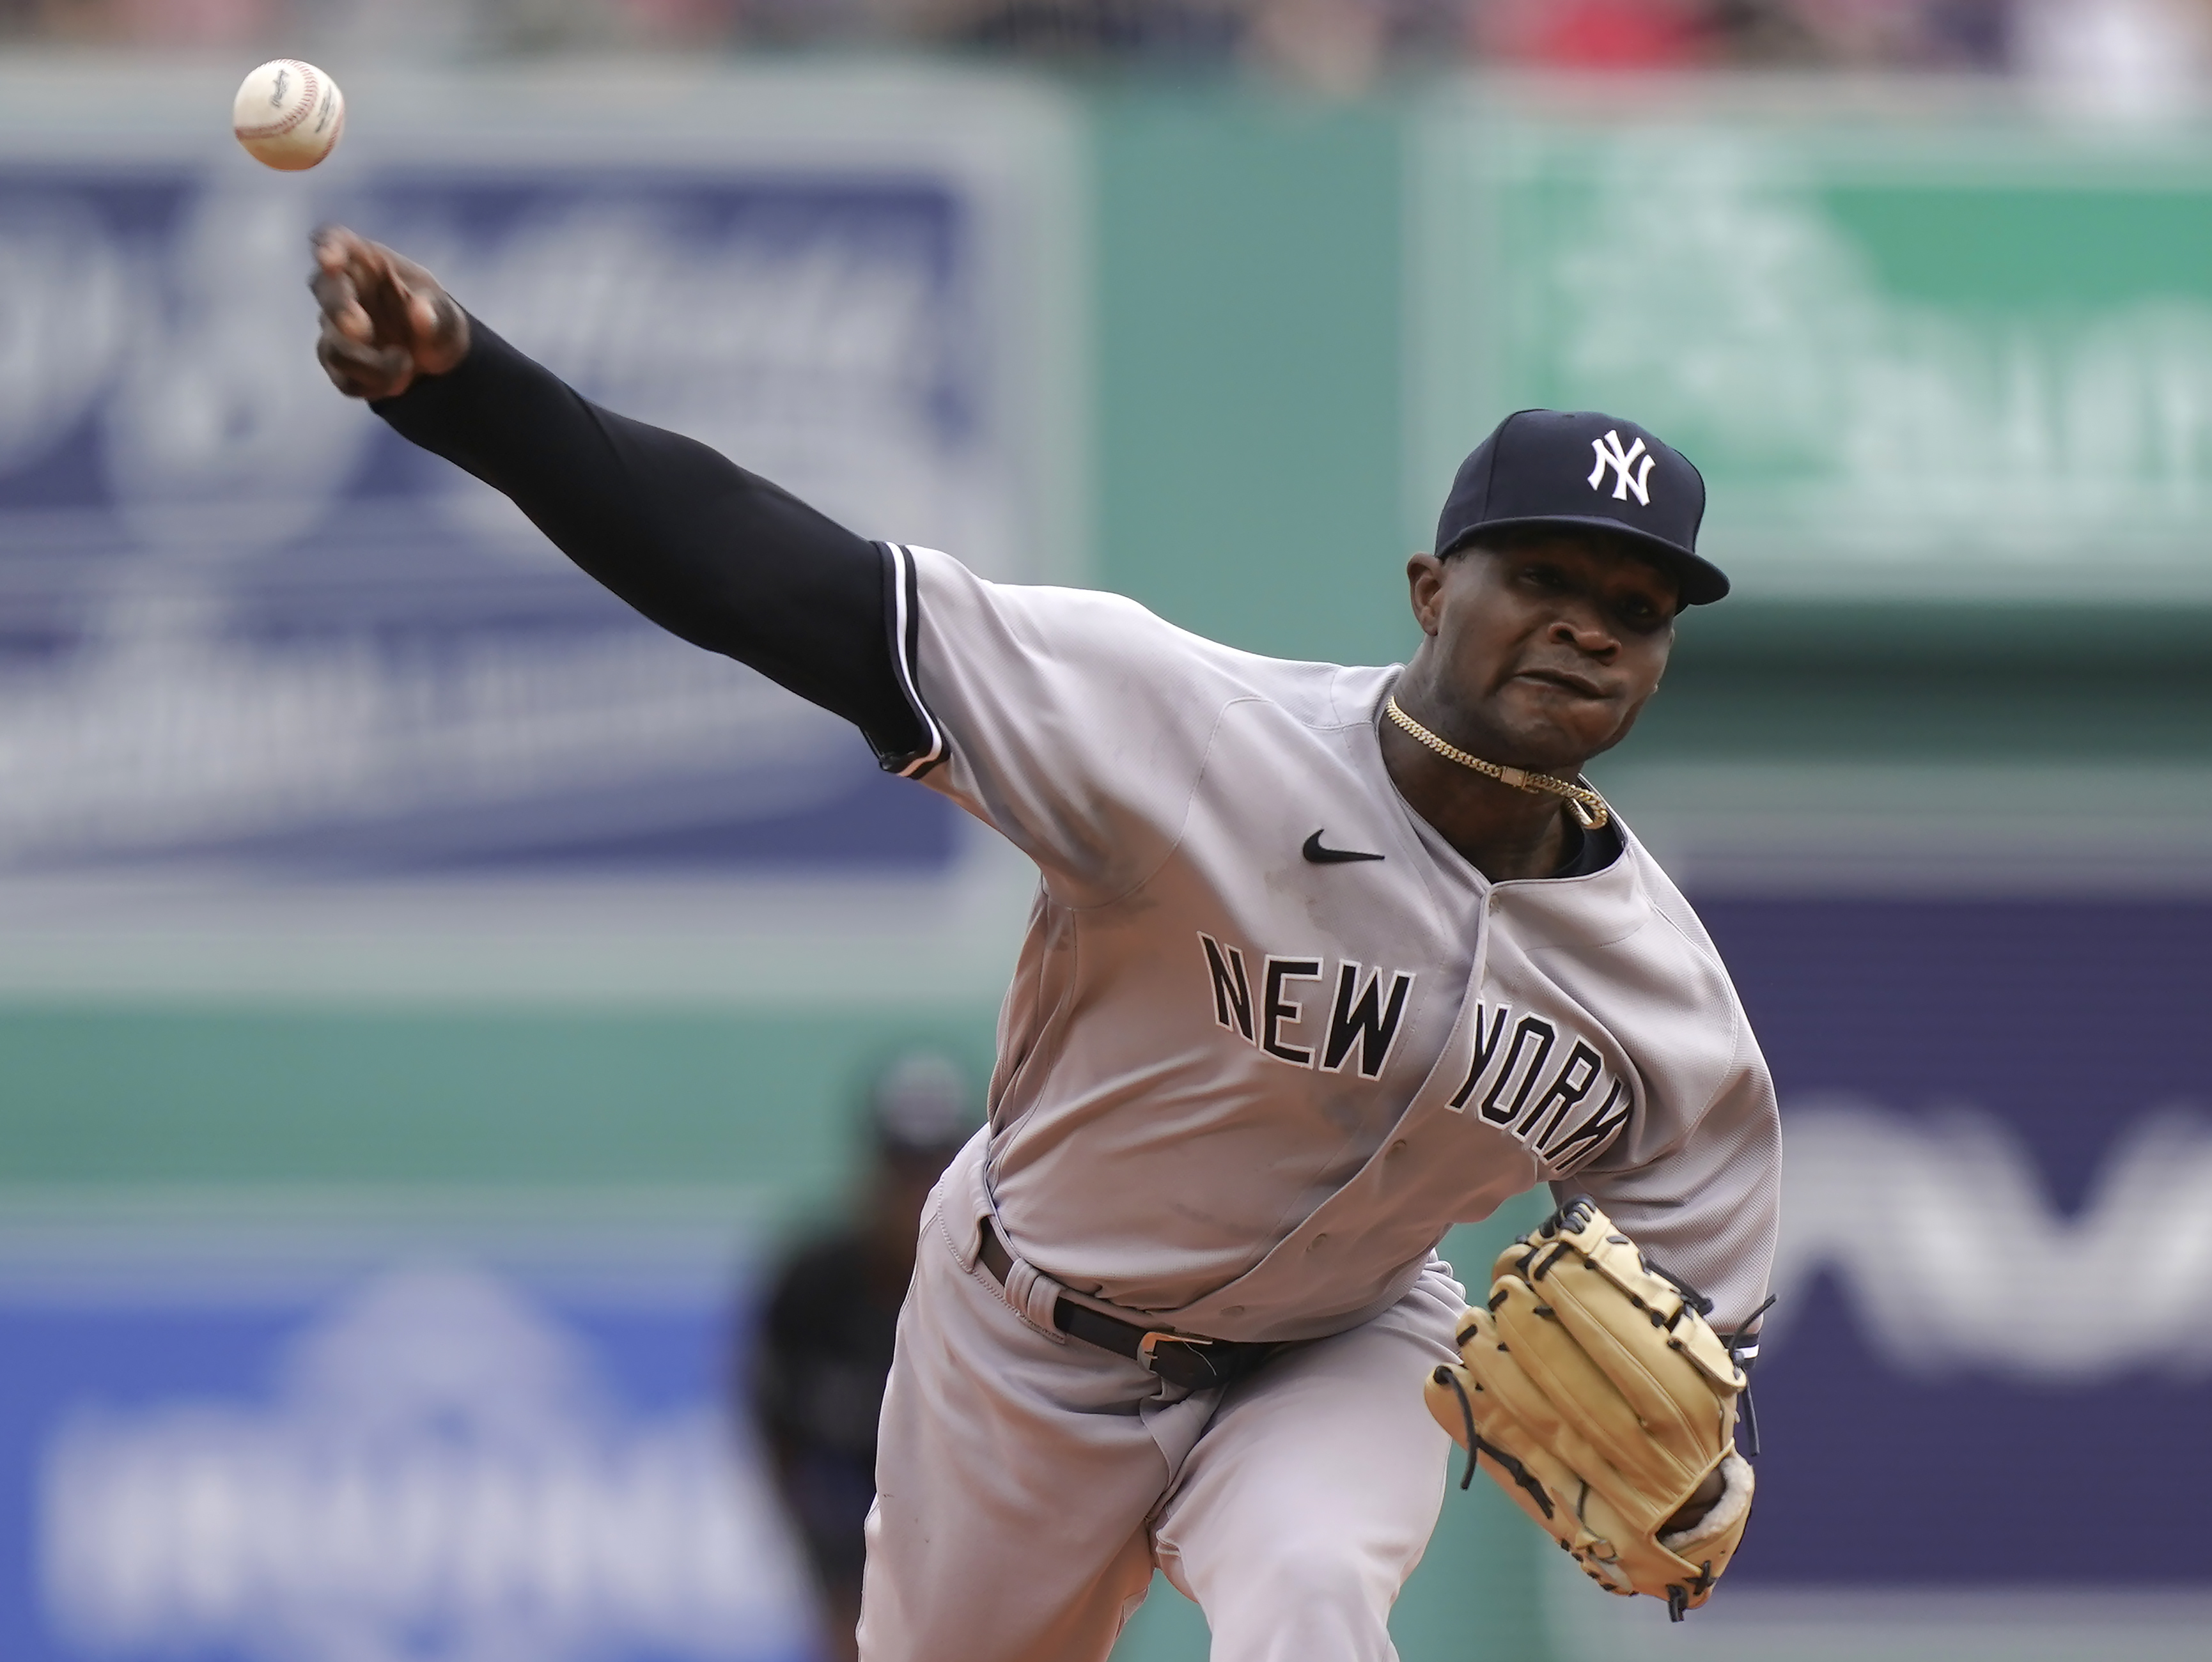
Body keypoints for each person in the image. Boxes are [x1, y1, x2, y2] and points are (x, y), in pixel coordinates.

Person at [306, 228, 1780, 1662]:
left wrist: (1716, 1442)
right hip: (1027, 1337)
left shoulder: (1666, 1004)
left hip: (1346, 1342)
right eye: (1544, 579)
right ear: (1429, 589)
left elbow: (1707, 1329)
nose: (1589, 630)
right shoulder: (1192, 741)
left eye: (1634, 610)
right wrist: (469, 392)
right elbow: (782, 584)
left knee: (1316, 1594)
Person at [746, 1052, 979, 1662]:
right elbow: (771, 1424)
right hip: (843, 1520)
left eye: (936, 1172)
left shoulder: (1000, 1297)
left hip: (974, 1539)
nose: (915, 1196)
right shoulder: (813, 1288)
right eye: (902, 1170)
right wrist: (827, 1566)